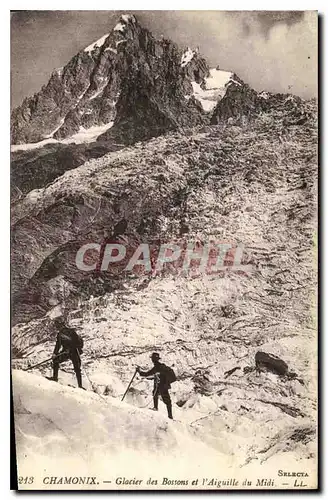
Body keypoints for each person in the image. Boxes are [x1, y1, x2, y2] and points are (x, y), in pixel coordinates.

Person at [48, 317, 84, 389]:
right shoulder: (59, 334)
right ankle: (55, 378)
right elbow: (58, 345)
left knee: (77, 368)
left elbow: (76, 342)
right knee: (56, 360)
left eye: (58, 325)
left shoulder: (71, 332)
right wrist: (54, 354)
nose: (57, 327)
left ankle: (80, 386)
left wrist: (70, 348)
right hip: (66, 352)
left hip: (74, 352)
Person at [137, 353, 173, 419]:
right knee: (156, 394)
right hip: (162, 385)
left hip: (162, 385)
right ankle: (162, 411)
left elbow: (147, 373)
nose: (152, 360)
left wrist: (139, 372)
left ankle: (168, 415)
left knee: (165, 399)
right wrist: (140, 372)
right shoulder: (158, 366)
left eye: (153, 359)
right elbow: (148, 373)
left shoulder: (159, 367)